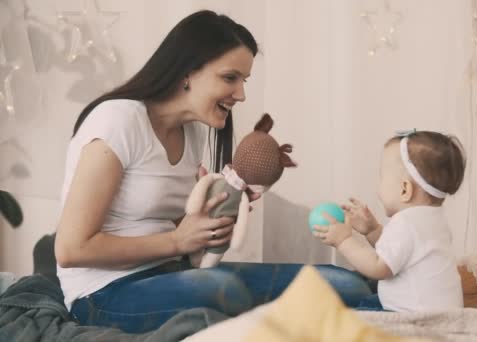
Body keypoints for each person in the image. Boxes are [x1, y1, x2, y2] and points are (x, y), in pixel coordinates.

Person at [54, 10, 371, 334]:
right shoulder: (117, 121)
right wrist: (178, 241)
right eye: (230, 77)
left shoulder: (193, 131)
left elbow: (181, 230)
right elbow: (71, 249)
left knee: (341, 283)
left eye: (244, 81)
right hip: (102, 294)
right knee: (226, 292)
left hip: (173, 273)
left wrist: (215, 219)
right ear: (187, 72)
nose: (241, 94)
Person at [313, 130, 466, 312]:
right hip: (440, 311)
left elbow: (379, 267)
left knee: (353, 315)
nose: (378, 186)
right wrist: (372, 230)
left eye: (382, 177)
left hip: (413, 316)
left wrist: (344, 241)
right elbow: (401, 253)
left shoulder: (406, 223)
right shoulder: (434, 219)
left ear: (404, 189)